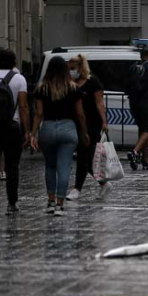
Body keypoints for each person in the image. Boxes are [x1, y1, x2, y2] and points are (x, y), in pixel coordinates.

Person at [29, 56, 89, 216]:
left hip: (48, 127)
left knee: (50, 166)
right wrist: (83, 132)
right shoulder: (73, 88)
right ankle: (60, 205)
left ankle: (50, 201)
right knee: (64, 167)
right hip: (68, 128)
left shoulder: (41, 88)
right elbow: (80, 113)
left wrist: (32, 133)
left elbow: (39, 113)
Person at [66, 55, 111, 201]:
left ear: (80, 67)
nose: (70, 71)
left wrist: (104, 122)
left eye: (73, 68)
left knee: (83, 155)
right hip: (76, 123)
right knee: (87, 158)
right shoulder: (70, 83)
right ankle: (104, 183)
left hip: (92, 123)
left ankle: (77, 189)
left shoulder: (93, 82)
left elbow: (99, 103)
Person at [0, 48, 29, 216]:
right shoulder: (19, 79)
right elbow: (23, 106)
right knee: (12, 166)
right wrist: (27, 131)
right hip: (11, 127)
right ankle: (12, 203)